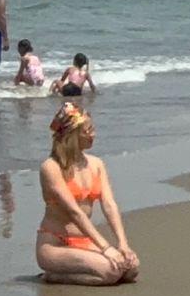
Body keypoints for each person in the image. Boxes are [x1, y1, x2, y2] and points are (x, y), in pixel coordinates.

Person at [35, 103, 139, 285]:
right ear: (72, 135)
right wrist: (106, 248)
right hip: (55, 245)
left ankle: (95, 262)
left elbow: (109, 204)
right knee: (110, 272)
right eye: (88, 130)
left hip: (85, 241)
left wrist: (122, 244)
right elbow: (75, 213)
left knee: (131, 268)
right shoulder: (50, 168)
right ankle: (53, 276)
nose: (93, 134)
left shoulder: (96, 163)